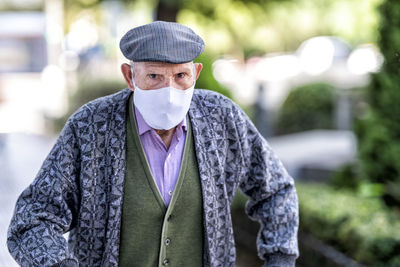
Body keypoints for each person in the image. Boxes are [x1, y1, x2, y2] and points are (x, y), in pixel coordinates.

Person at [7, 21, 299, 267]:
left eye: (180, 76)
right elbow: (32, 219)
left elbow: (276, 189)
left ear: (196, 74)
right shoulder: (90, 127)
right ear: (129, 76)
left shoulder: (222, 118)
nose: (169, 91)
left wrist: (280, 258)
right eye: (154, 76)